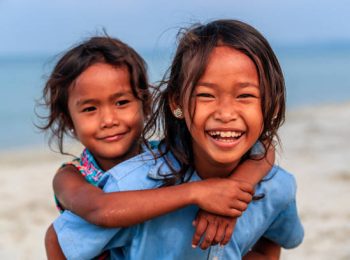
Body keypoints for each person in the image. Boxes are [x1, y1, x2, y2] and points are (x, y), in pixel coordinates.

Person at [50, 20, 304, 259]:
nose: (109, 120)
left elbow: (264, 151)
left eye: (122, 102)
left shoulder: (273, 183)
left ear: (144, 105)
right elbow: (91, 215)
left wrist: (234, 194)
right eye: (205, 95)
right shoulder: (104, 179)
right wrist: (198, 193)